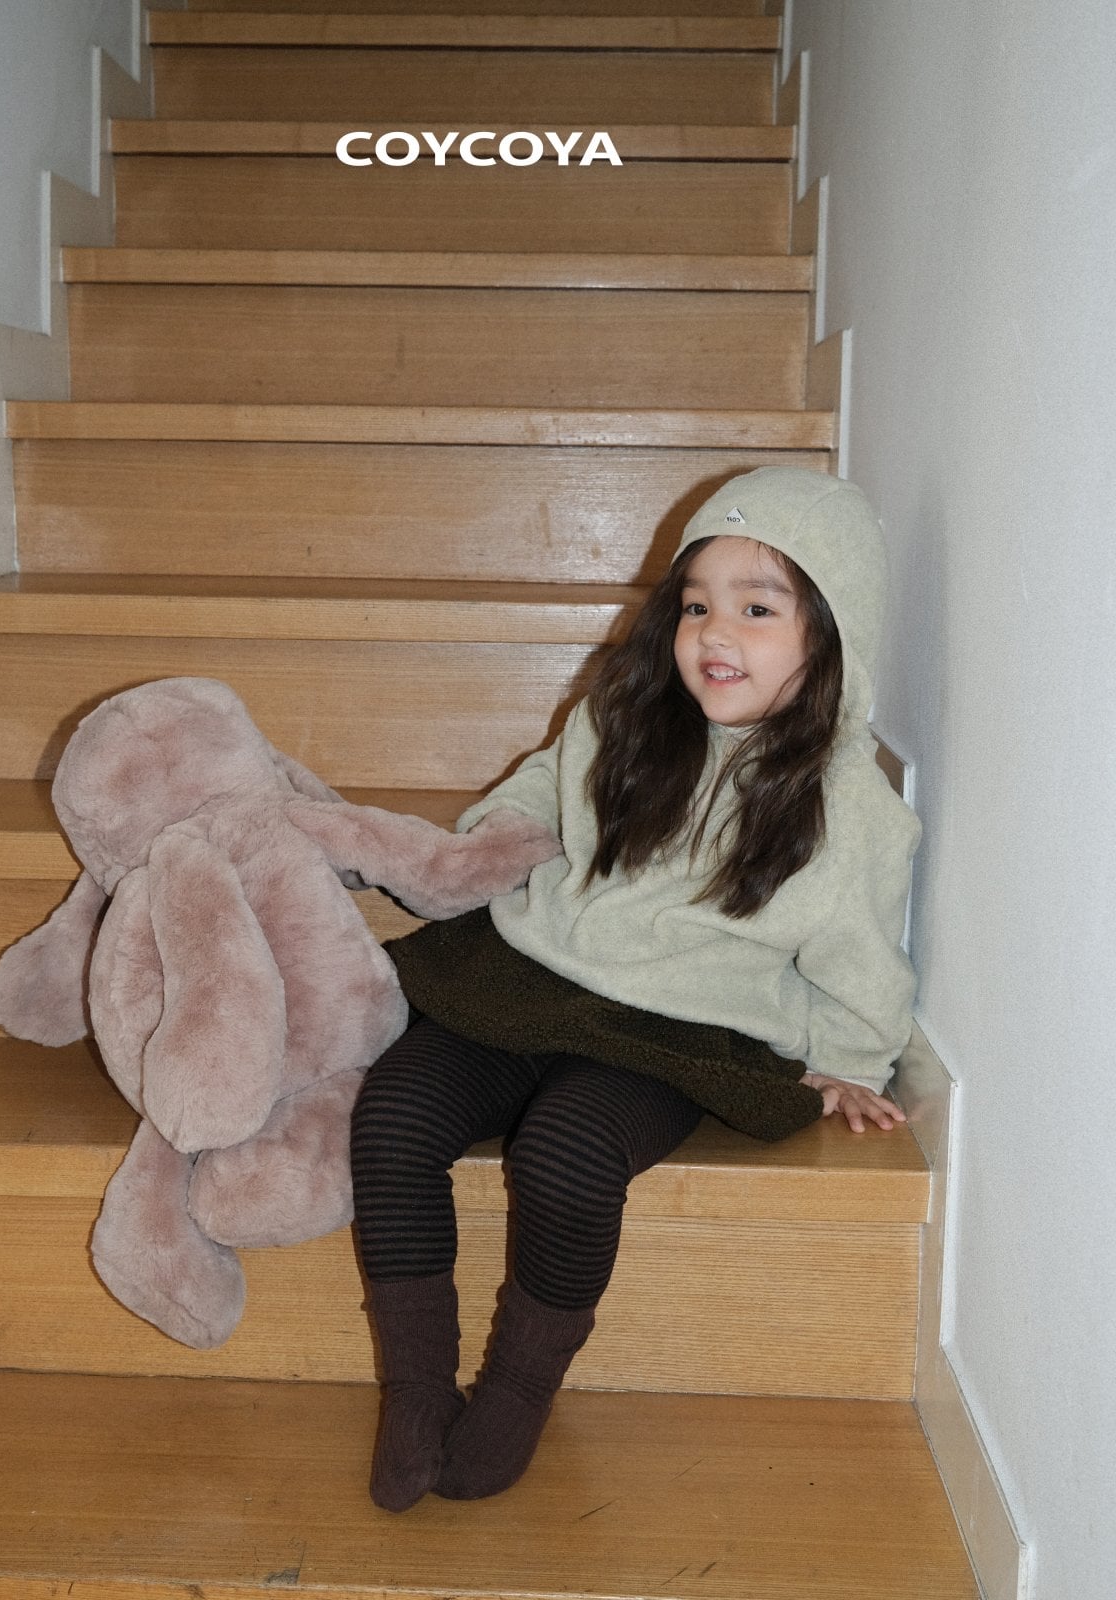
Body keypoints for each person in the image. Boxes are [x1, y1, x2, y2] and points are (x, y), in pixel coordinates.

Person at [349, 466, 922, 1512]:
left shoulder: (847, 809)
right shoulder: (625, 715)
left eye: (758, 610)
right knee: (390, 1111)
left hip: (679, 1030)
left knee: (565, 1153)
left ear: (833, 634)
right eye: (696, 605)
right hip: (533, 976)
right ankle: (417, 1387)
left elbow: (860, 951)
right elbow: (545, 780)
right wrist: (498, 833)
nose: (715, 633)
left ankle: (517, 1388)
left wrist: (850, 1059)